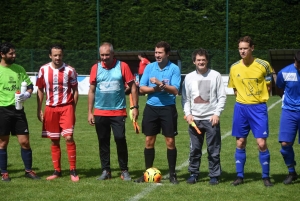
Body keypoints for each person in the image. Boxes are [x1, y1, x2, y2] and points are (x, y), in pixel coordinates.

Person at [88, 42, 139, 181]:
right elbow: (92, 90)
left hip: (118, 112)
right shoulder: (95, 68)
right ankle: (106, 171)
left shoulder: (122, 66)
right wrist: (89, 112)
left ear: (113, 54)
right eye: (102, 55)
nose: (104, 57)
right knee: (103, 141)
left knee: (120, 139)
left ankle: (124, 170)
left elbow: (133, 87)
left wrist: (135, 107)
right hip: (100, 112)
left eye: (107, 55)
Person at [228, 36, 274, 187]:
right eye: (240, 48)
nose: (242, 51)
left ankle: (266, 176)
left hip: (258, 109)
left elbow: (268, 85)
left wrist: (257, 100)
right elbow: (234, 89)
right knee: (240, 142)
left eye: (245, 48)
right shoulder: (234, 67)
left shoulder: (263, 65)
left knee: (261, 143)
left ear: (252, 48)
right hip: (241, 108)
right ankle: (239, 176)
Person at [134, 41, 181, 184]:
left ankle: (173, 175)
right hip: (151, 108)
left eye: (160, 52)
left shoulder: (174, 69)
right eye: (156, 52)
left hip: (168, 108)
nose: (157, 55)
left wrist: (162, 84)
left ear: (167, 54)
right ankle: (147, 173)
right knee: (149, 140)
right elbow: (142, 89)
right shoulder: (149, 67)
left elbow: (175, 90)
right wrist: (156, 89)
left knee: (170, 141)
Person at [181, 48, 226, 185]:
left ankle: (214, 175)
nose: (201, 62)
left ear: (207, 61)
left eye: (203, 60)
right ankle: (194, 173)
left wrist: (217, 113)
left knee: (213, 149)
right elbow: (185, 98)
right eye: (198, 60)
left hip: (211, 119)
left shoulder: (216, 75)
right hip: (194, 120)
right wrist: (188, 114)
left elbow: (222, 96)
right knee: (194, 149)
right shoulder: (188, 77)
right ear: (194, 61)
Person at [36, 44, 79, 182]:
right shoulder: (43, 69)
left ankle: (73, 170)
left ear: (63, 55)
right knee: (54, 140)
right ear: (50, 56)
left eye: (60, 55)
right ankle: (57, 171)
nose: (58, 57)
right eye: (55, 55)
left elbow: (75, 91)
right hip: (50, 109)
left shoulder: (70, 70)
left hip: (66, 107)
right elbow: (40, 90)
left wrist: (73, 108)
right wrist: (39, 108)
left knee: (68, 137)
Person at [0, 42, 40, 181]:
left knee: (25, 142)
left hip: (18, 110)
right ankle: (4, 172)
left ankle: (28, 170)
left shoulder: (19, 69)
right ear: (2, 54)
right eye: (11, 53)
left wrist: (27, 94)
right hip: (2, 110)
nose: (14, 55)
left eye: (14, 52)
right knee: (3, 143)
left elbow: (29, 85)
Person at [276, 50, 300, 185]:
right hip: (289, 112)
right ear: (294, 60)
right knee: (285, 144)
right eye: (299, 63)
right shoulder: (284, 72)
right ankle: (292, 171)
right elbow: (279, 89)